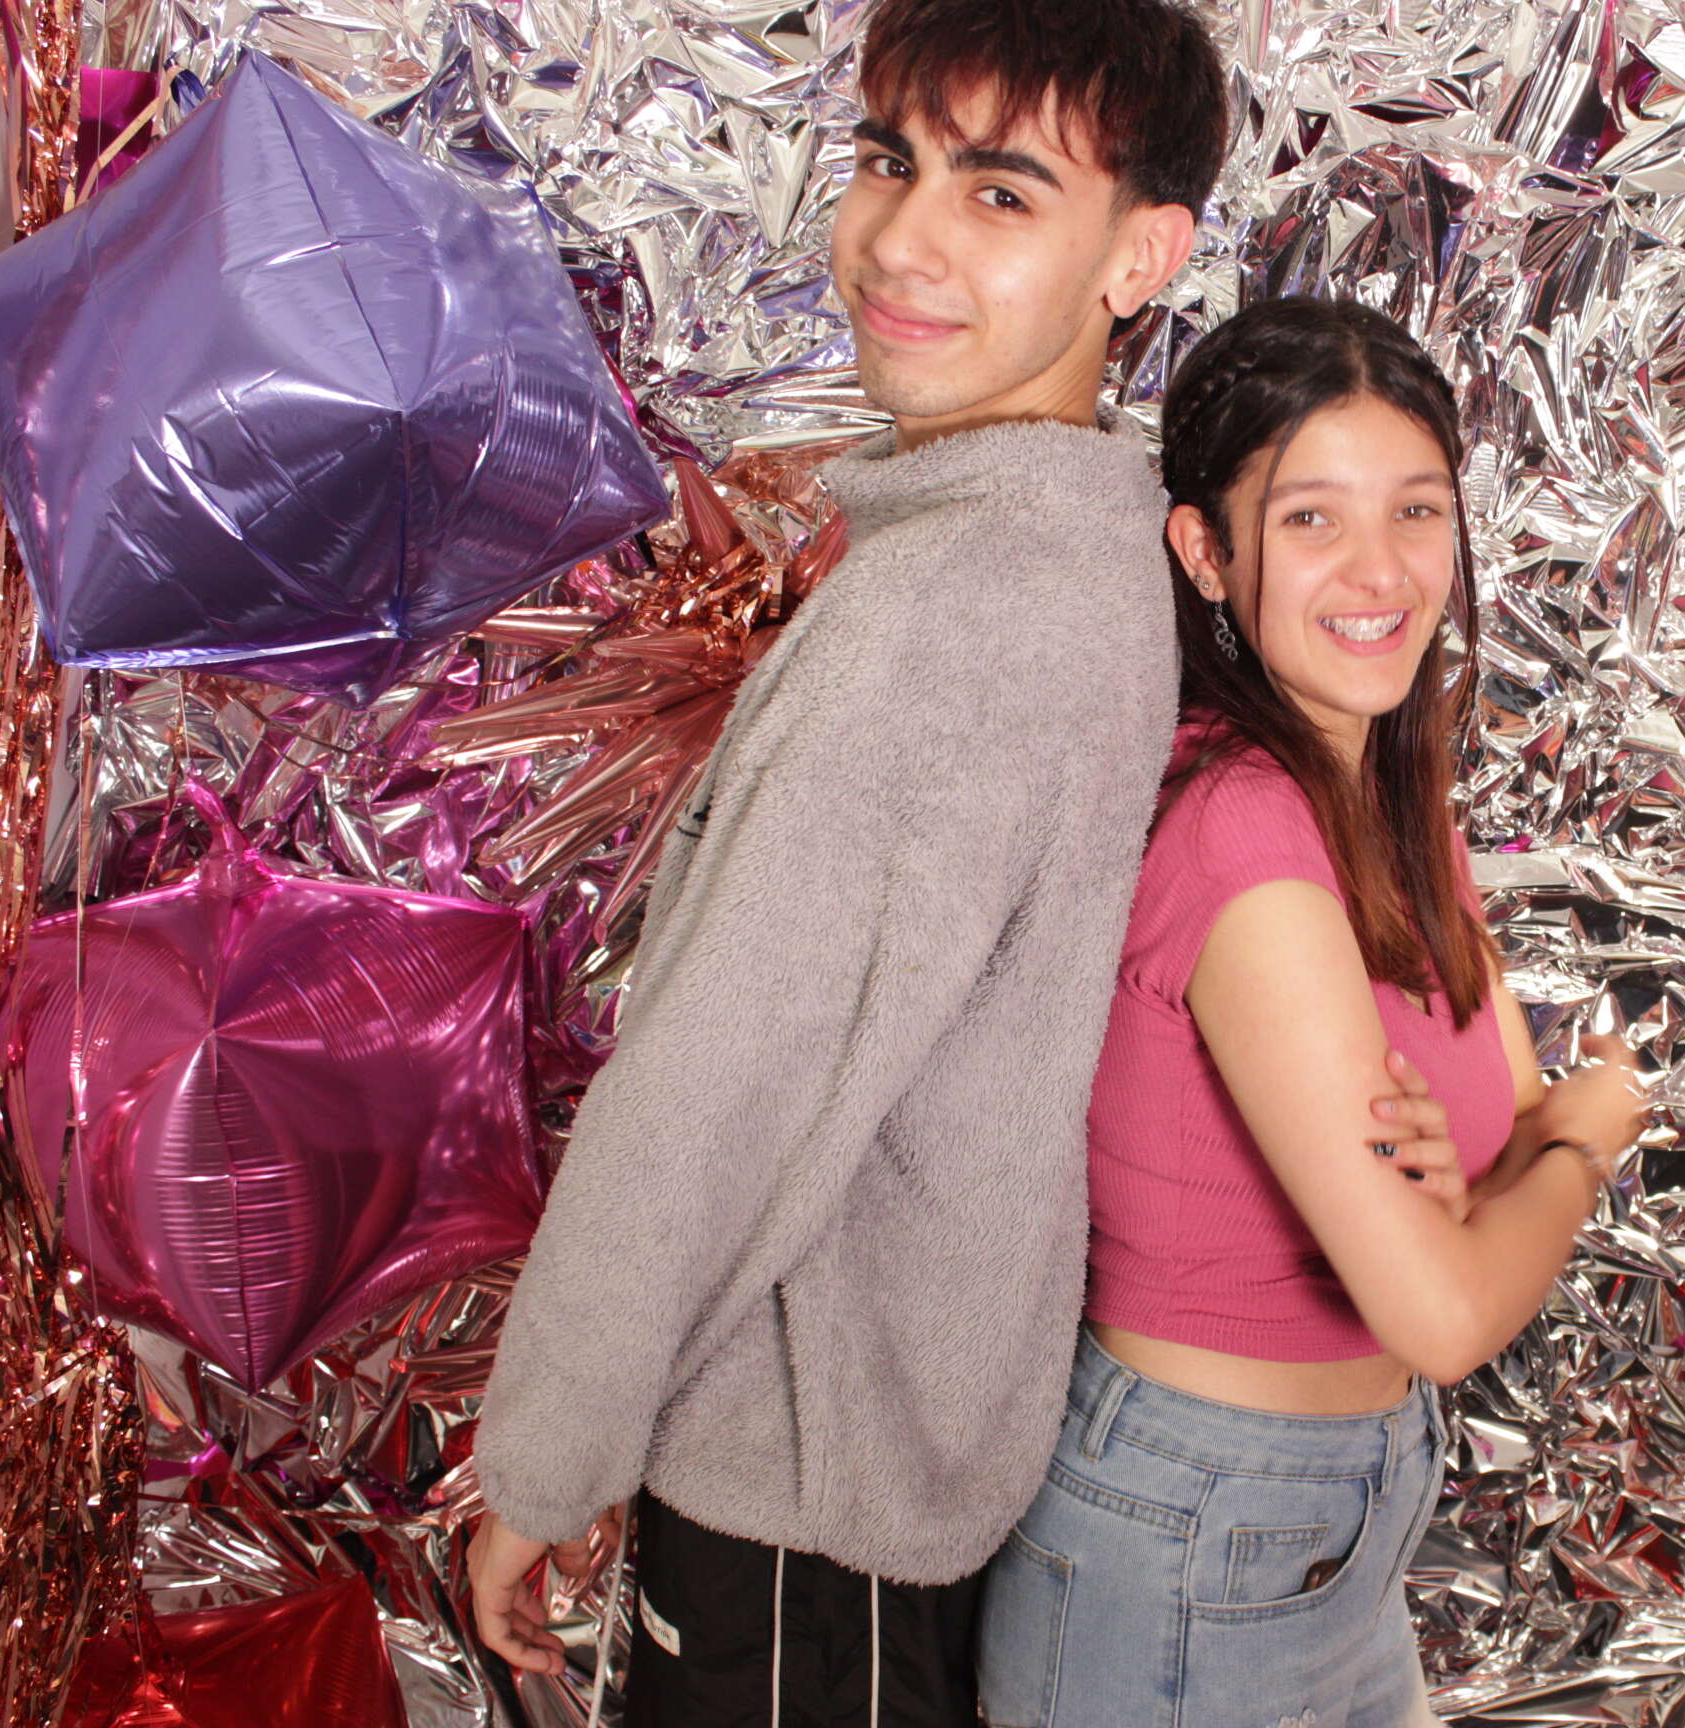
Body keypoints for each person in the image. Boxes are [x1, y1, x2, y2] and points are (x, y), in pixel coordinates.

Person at [456, 2, 1271, 1722]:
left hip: (807, 1497)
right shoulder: (1076, 533)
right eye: (892, 162)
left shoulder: (955, 609)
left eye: (1001, 193)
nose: (901, 240)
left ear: (1142, 256)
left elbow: (728, 1083)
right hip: (885, 1475)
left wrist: (546, 1455)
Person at [976, 296, 1650, 1728]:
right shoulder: (1241, 825)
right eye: (1310, 520)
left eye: (1416, 509)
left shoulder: (1382, 791)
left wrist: (1501, 1171)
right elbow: (1448, 1303)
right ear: (1203, 552)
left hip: (1332, 1527)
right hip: (1191, 1536)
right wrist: (1593, 1132)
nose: (1380, 569)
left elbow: (1496, 1141)